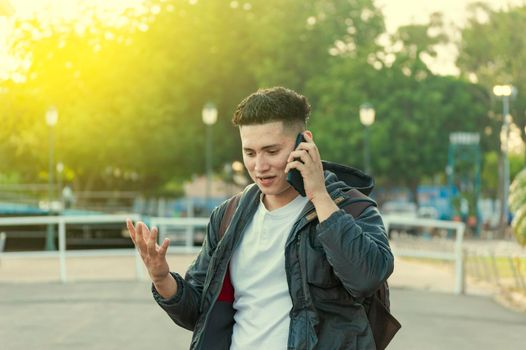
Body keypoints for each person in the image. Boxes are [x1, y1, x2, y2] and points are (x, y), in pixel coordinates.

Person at [127, 87, 394, 349]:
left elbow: (367, 277)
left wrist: (319, 196)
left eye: (272, 151)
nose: (259, 166)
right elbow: (200, 311)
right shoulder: (228, 216)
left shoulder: (350, 206)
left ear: (305, 143)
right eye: (250, 153)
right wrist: (163, 279)